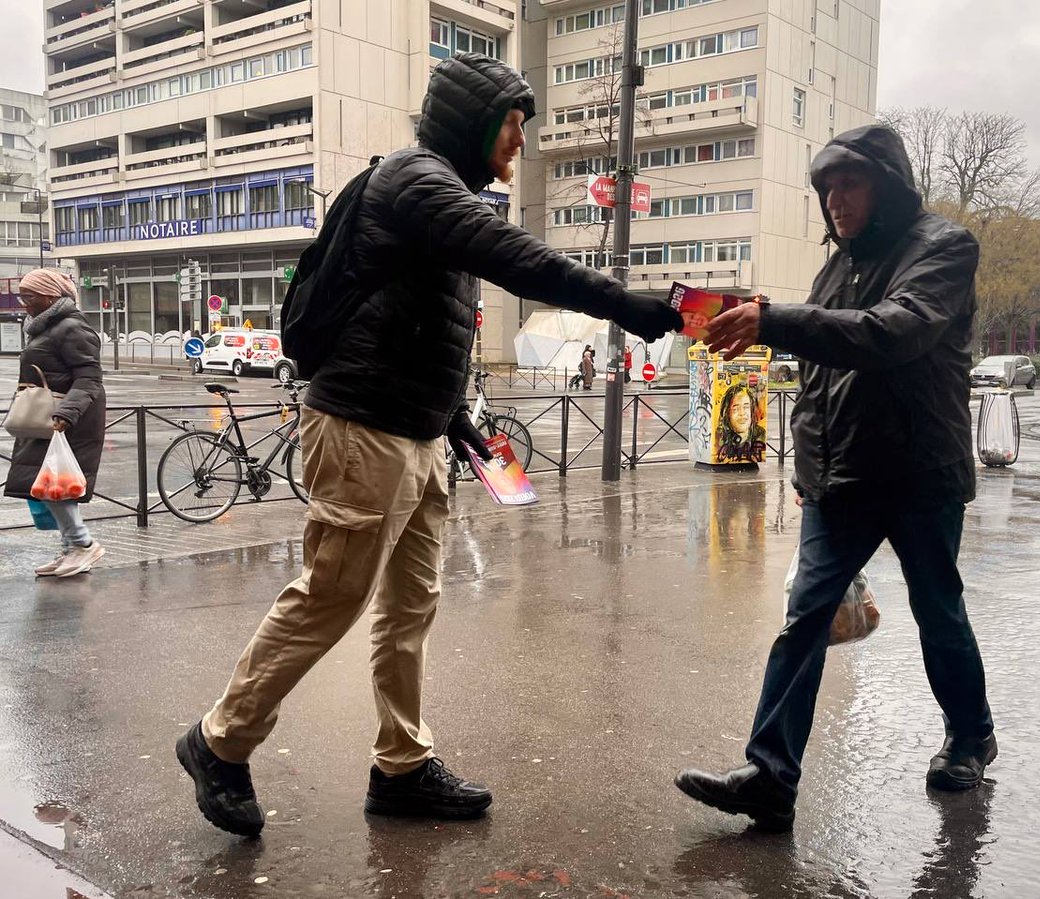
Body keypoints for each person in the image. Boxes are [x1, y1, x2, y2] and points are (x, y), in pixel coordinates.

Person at [176, 52, 681, 838]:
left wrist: (461, 425)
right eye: (513, 123)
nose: (519, 140)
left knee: (409, 607)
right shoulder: (418, 183)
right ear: (474, 122)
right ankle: (220, 739)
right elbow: (521, 263)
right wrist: (629, 305)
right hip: (361, 429)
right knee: (331, 595)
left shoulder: (447, 196)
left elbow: (412, 332)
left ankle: (402, 766)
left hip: (415, 433)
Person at [675, 124, 995, 831]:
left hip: (921, 474)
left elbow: (891, 333)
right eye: (825, 188)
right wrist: (809, 469)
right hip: (843, 478)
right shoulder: (835, 266)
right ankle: (770, 773)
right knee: (804, 618)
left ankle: (971, 736)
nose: (835, 200)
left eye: (849, 183)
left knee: (938, 610)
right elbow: (819, 381)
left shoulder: (943, 248)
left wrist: (774, 320)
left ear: (887, 185)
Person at [4, 270, 105, 578]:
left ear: (50, 297)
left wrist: (65, 415)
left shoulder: (71, 328)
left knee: (54, 486)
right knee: (49, 485)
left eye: (29, 297)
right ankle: (71, 549)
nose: (24, 304)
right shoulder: (46, 328)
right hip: (48, 419)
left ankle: (83, 545)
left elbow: (89, 378)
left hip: (68, 419)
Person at [716, 382, 766, 463]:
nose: (742, 413)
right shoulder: (719, 438)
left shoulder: (760, 436)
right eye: (735, 409)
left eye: (746, 407)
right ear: (727, 413)